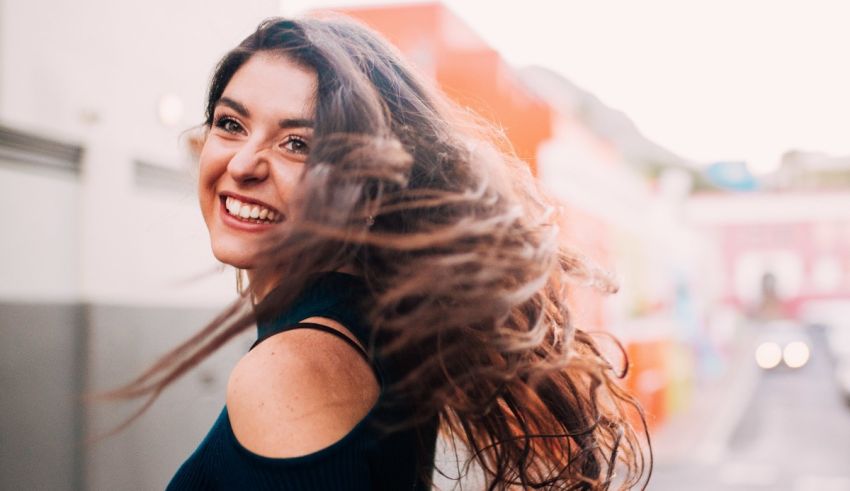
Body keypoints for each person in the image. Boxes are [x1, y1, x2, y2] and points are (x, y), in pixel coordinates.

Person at [109, 15, 651, 490]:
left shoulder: (290, 369)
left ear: (369, 191)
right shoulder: (376, 324)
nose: (243, 163)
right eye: (231, 124)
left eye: (297, 143)